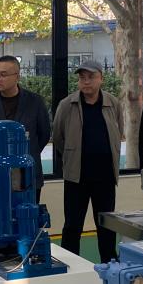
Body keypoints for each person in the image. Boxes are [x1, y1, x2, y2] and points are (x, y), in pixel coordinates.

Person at [52, 59, 123, 263]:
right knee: (72, 225)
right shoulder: (67, 105)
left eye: (91, 77)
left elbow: (119, 131)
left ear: (101, 78)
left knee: (106, 225)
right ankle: (70, 264)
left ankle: (109, 264)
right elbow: (58, 137)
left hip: (105, 177)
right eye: (82, 78)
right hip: (77, 177)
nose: (86, 81)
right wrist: (73, 155)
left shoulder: (113, 104)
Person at [0, 55, 51, 203]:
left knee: (27, 215)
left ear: (17, 76)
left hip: (28, 173)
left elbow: (44, 135)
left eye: (3, 75)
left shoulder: (35, 102)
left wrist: (24, 154)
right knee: (0, 214)